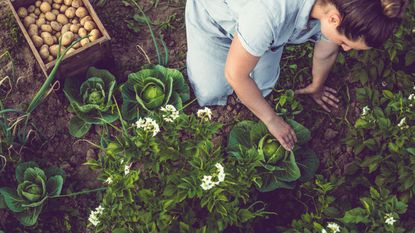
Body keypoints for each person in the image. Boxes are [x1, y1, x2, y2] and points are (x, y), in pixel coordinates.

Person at [185, 0, 408, 151]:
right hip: (217, 22)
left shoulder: (339, 7)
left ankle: (256, 49)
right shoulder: (270, 13)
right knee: (210, 93)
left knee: (262, 88)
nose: (345, 50)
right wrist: (272, 120)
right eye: (345, 43)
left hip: (264, 35)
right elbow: (236, 75)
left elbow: (326, 48)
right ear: (333, 19)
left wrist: (317, 86)